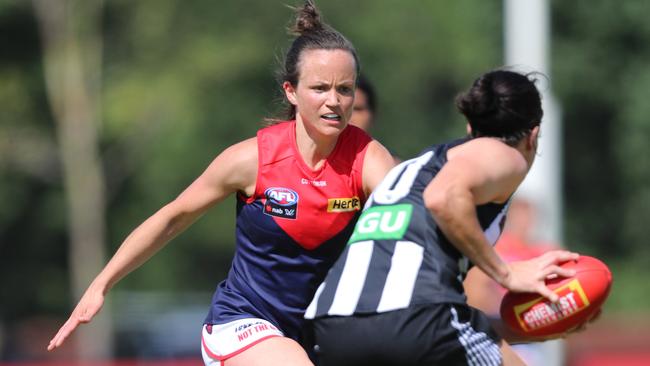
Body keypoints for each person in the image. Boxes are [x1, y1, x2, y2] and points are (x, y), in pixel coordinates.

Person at [46, 1, 395, 365]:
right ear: (291, 91)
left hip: (321, 333)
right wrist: (101, 285)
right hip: (244, 322)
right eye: (320, 88)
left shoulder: (368, 157)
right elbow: (172, 217)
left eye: (345, 90)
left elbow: (409, 220)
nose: (334, 101)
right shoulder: (252, 159)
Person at [305, 69, 580, 366]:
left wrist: (538, 325)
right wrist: (507, 273)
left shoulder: (417, 166)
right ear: (533, 135)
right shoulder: (505, 154)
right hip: (416, 319)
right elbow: (443, 198)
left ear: (469, 125)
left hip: (332, 327)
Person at [464, 197, 562, 366]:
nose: (524, 223)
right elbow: (476, 294)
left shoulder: (545, 252)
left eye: (528, 217)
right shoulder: (493, 251)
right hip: (498, 328)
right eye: (520, 216)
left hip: (533, 332)